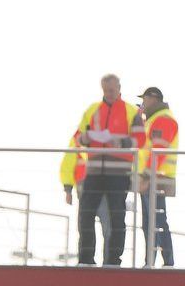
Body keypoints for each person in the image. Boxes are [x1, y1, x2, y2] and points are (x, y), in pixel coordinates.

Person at [61, 74, 142, 267]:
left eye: (112, 90)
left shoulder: (131, 112)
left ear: (119, 88)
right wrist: (86, 138)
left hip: (119, 172)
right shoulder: (93, 110)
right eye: (106, 90)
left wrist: (121, 142)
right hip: (94, 171)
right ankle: (86, 259)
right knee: (86, 214)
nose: (109, 94)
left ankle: (114, 261)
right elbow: (78, 136)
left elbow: (141, 139)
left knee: (117, 216)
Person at [135, 86, 178, 267]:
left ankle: (167, 262)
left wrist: (146, 173)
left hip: (156, 176)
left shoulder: (164, 119)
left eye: (144, 99)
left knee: (158, 221)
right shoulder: (152, 120)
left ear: (153, 98)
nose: (143, 103)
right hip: (150, 176)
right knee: (149, 223)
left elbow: (159, 149)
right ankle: (150, 261)